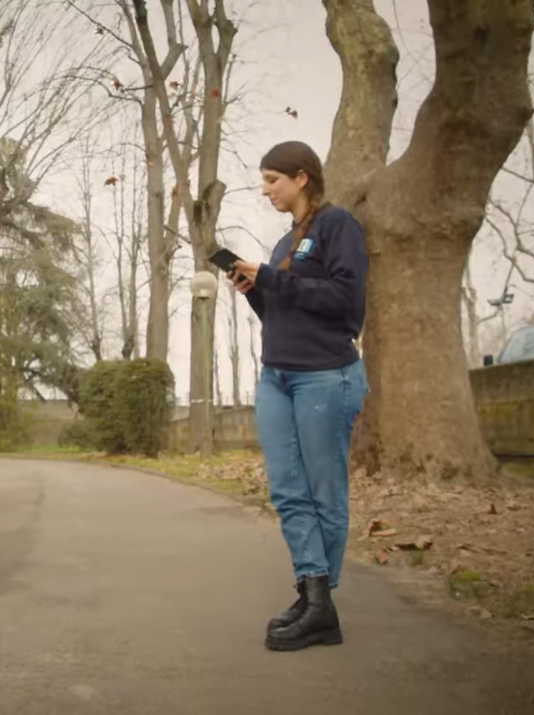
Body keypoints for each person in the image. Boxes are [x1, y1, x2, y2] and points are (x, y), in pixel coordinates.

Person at [227, 140, 369, 652]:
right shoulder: (287, 243)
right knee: (287, 490)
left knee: (324, 492)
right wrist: (259, 290)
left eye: (272, 180)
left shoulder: (338, 227)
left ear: (302, 177)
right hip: (277, 376)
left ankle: (318, 604)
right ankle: (315, 598)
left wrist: (270, 278)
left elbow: (345, 302)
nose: (265, 190)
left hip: (326, 375)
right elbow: (286, 313)